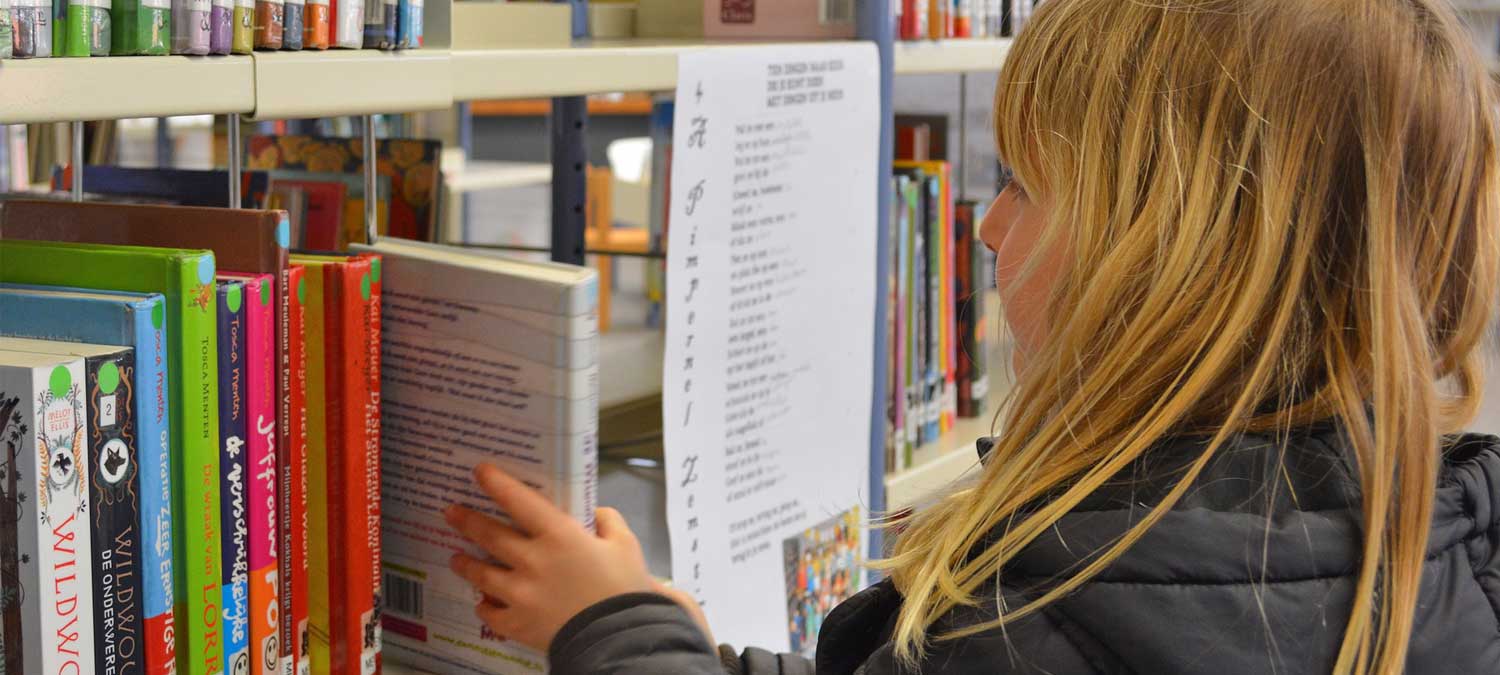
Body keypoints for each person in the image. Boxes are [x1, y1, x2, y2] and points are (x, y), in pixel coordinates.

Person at [440, 0, 1500, 672]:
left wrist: (617, 634)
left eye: (1026, 186)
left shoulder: (1026, 619)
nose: (987, 224)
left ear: (1176, 259)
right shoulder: (1438, 539)